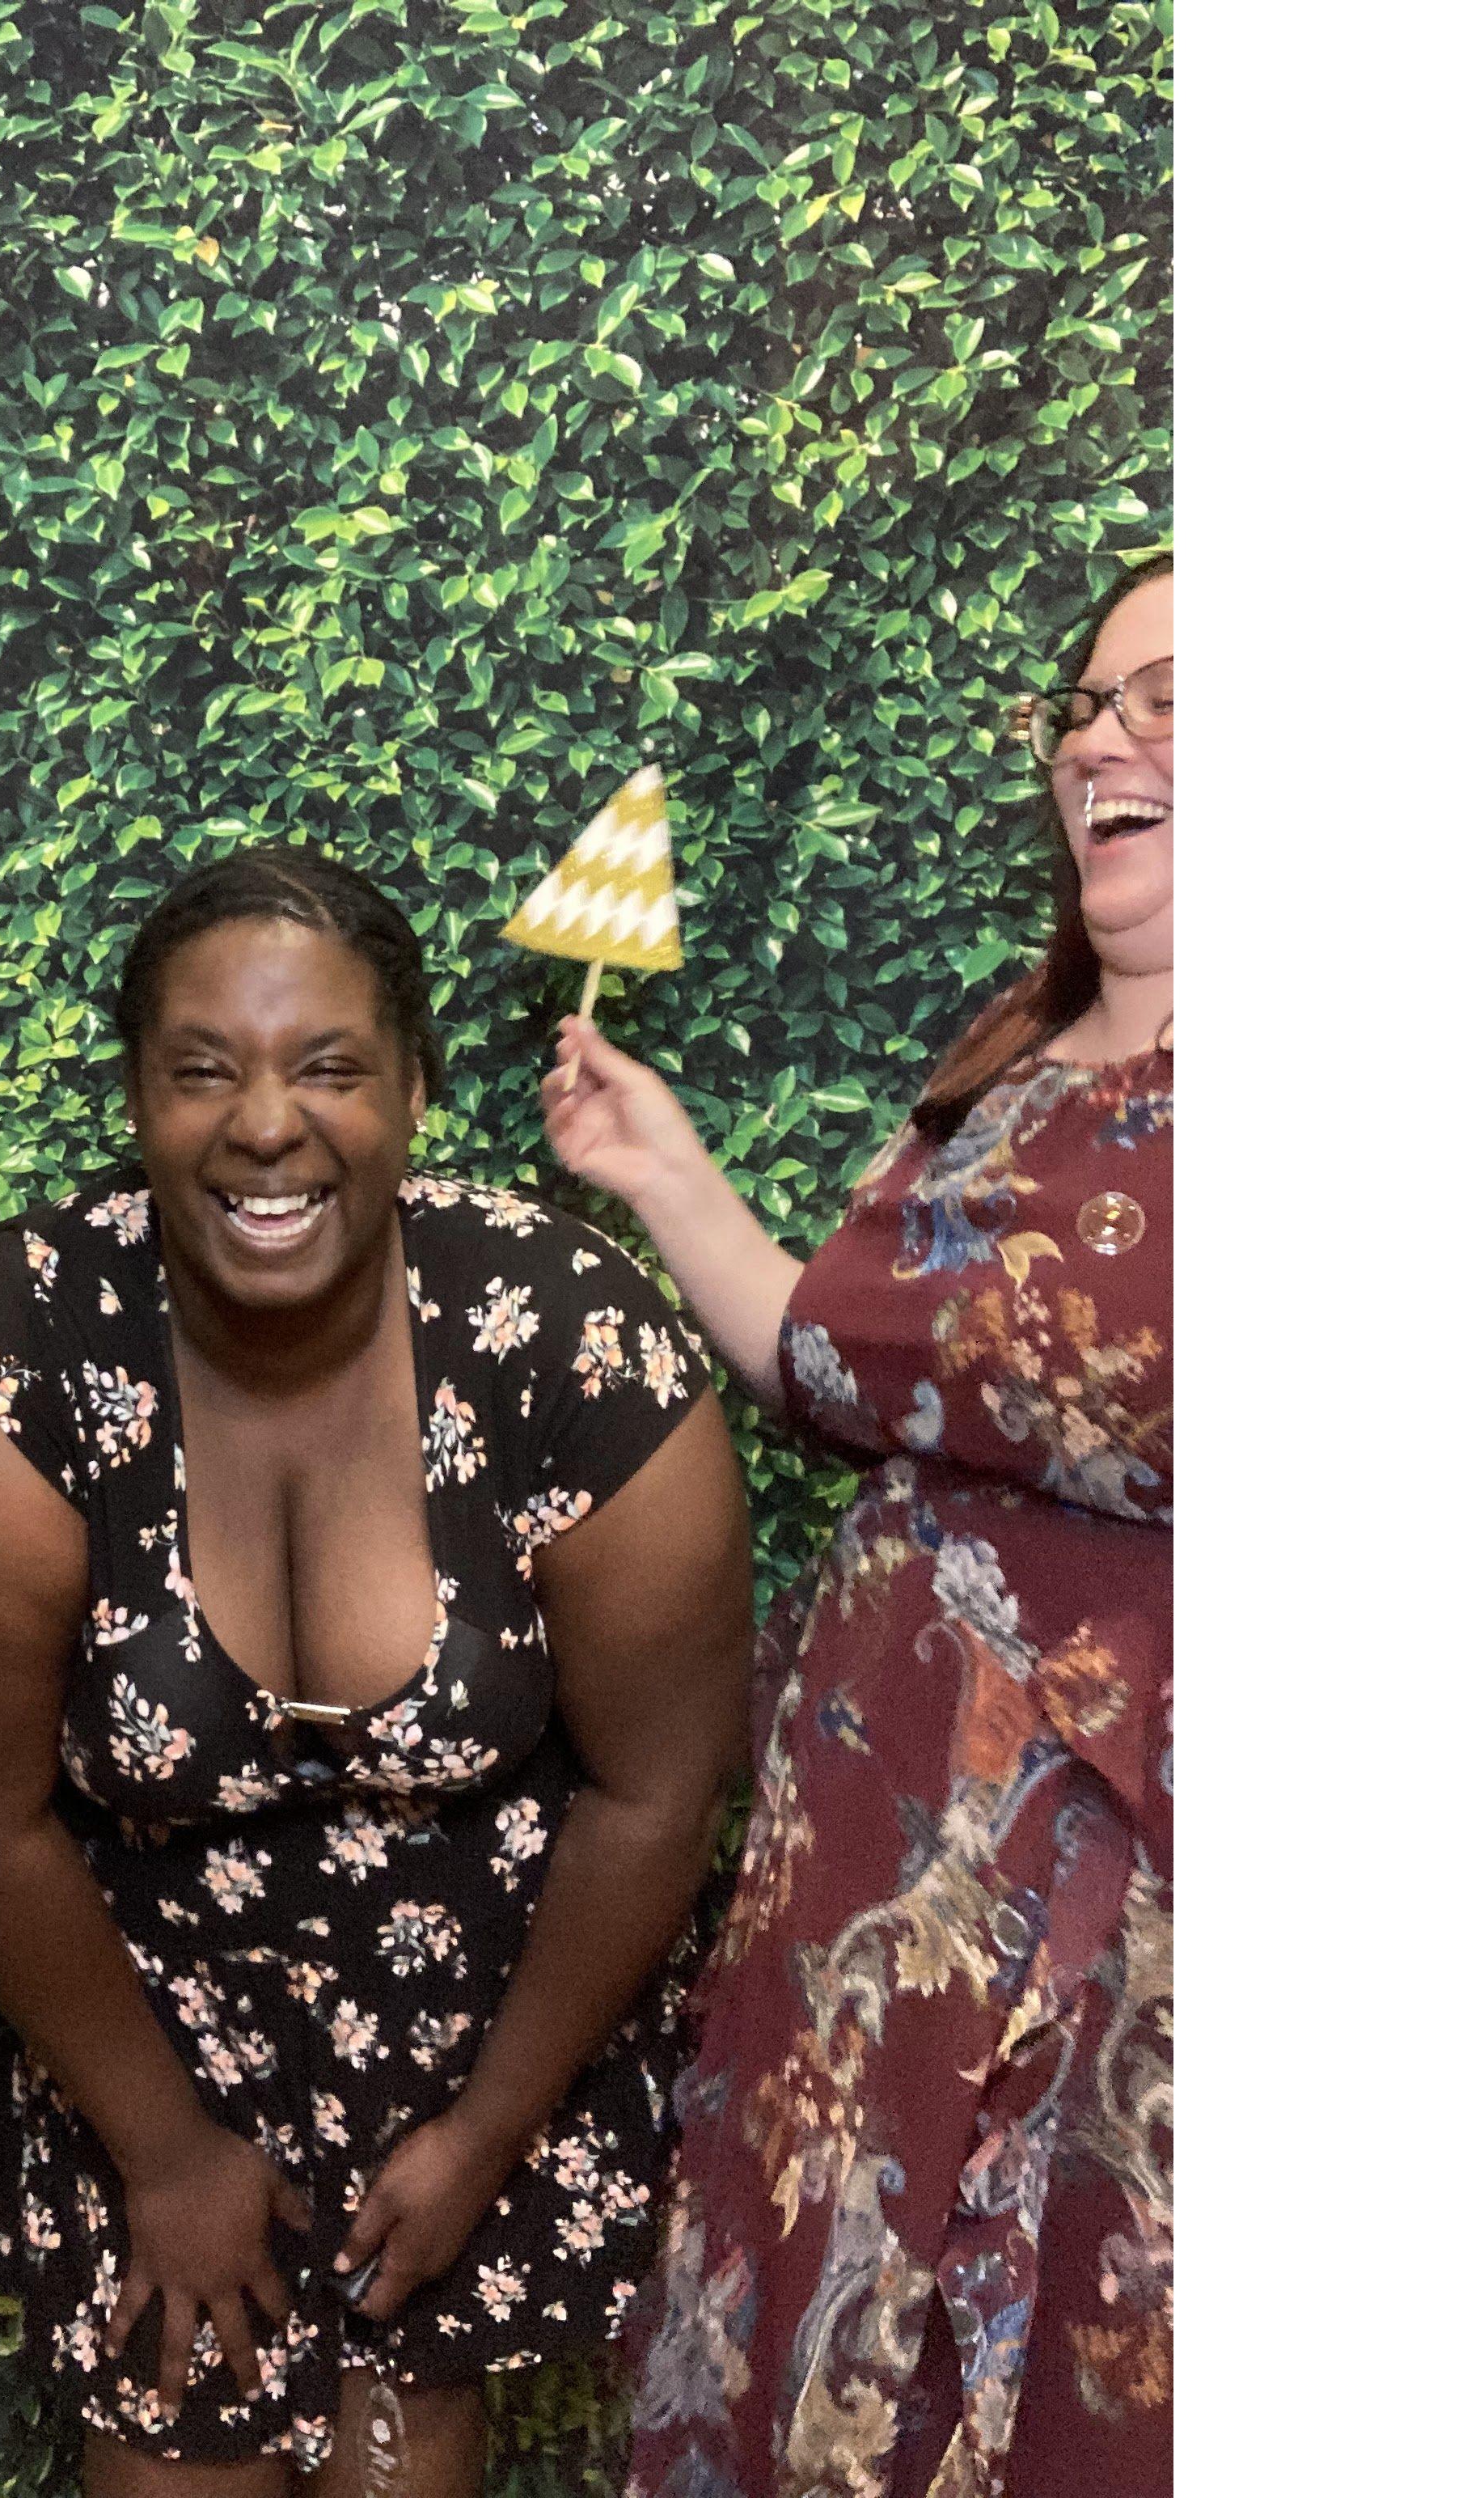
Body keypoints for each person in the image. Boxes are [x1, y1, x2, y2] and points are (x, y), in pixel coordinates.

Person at [0, 847, 752, 2498]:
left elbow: (658, 1791)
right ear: (136, 1100)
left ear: (413, 1092)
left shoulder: (564, 1334)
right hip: (136, 2042)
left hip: (476, 2058)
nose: (266, 1122)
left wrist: (482, 2135)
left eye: (329, 1066)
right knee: (171, 2431)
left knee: (406, 2458)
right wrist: (163, 2152)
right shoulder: (20, 1350)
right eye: (202, 1070)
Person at [543, 561, 1173, 2497]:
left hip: (1120, 1881)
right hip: (865, 1855)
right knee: (811, 2331)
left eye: (1168, 695)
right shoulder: (1014, 1041)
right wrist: (661, 1173)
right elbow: (839, 1365)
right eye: (1082, 704)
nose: (1101, 737)